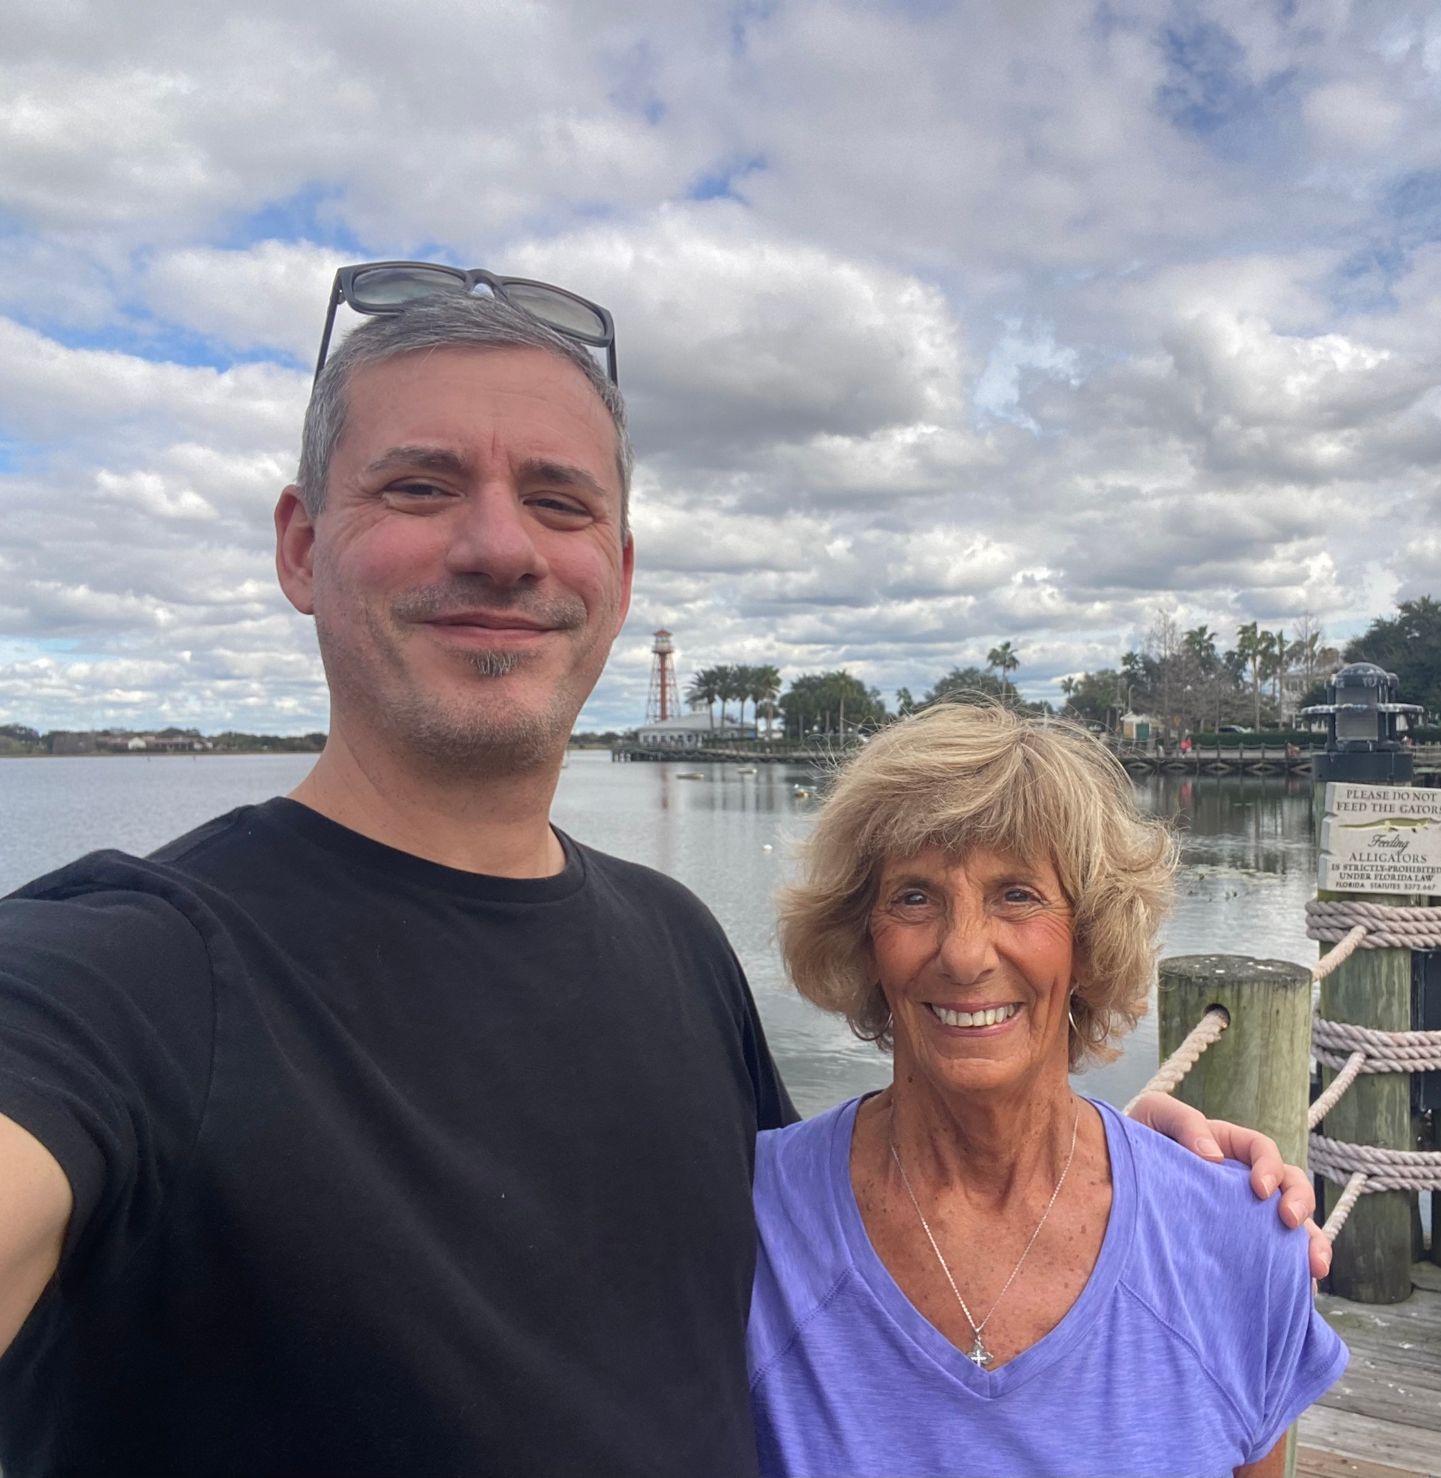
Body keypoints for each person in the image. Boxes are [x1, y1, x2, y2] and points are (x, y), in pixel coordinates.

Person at [0, 265, 1327, 1475]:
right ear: (298, 544)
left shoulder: (674, 947)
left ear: (619, 574)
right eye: (417, 485)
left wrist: (1099, 1153)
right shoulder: (137, 974)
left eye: (558, 500)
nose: (502, 545)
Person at [753, 703, 1347, 1477]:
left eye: (1018, 895)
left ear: (1092, 938)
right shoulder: (748, 1229)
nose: (965, 955)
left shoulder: (1236, 1244)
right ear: (863, 939)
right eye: (914, 896)